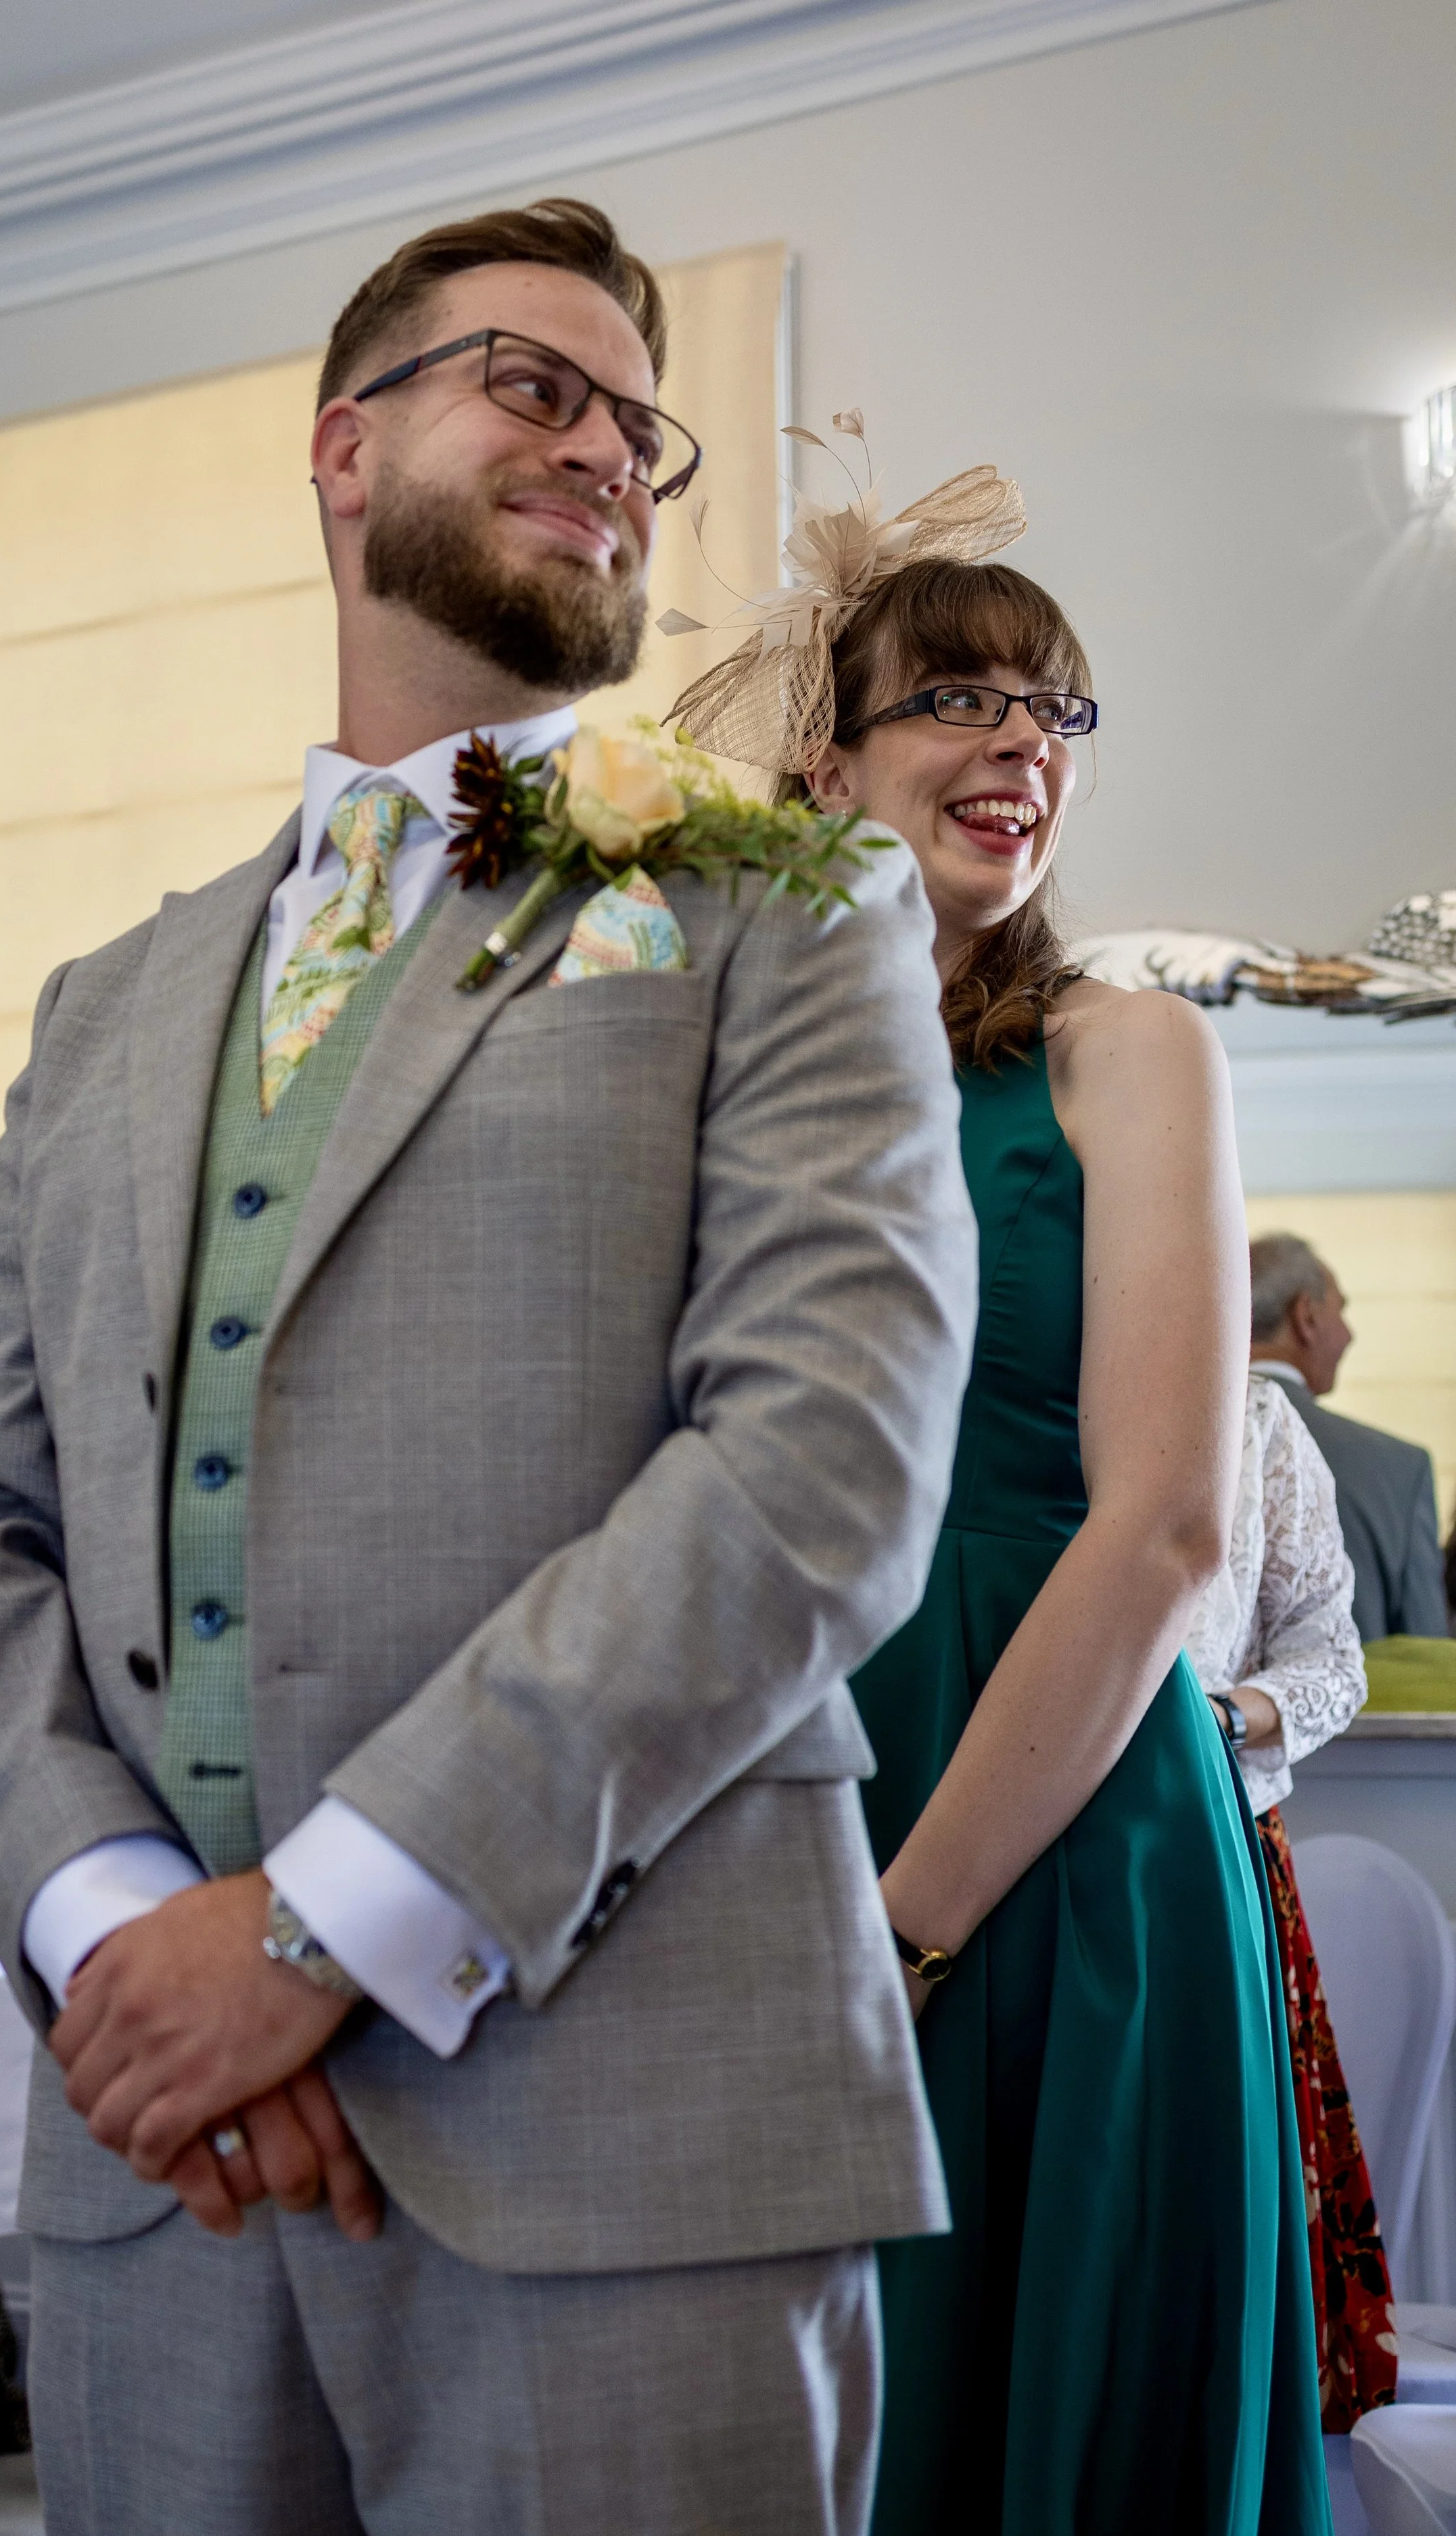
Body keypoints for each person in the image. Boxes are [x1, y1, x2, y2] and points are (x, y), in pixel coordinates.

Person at [0, 201, 980, 2536]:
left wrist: (312, 1936)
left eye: (642, 426)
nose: (611, 454)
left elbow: (823, 1459)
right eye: (538, 384)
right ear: (340, 444)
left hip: (624, 2150)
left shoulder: (785, 904)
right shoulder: (101, 1008)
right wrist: (114, 1956)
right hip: (159, 2175)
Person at [674, 459, 1332, 2531]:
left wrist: (908, 1920)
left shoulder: (1117, 1047)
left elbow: (1163, 1525)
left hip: (1054, 1813)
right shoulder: (713, 1062)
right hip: (775, 1777)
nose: (1013, 745)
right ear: (825, 761)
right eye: (955, 698)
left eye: (1047, 710)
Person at [1186, 1369, 1394, 2433]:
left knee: (1219, 2190)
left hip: (1214, 1833)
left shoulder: (1255, 1416)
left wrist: (1221, 1717)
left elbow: (1333, 1653)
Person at [1249, 1231, 1446, 1642]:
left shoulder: (1152, 1455)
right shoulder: (1398, 1470)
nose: (1350, 1335)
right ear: (1307, 1316)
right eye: (1341, 1310)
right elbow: (1427, 1662)